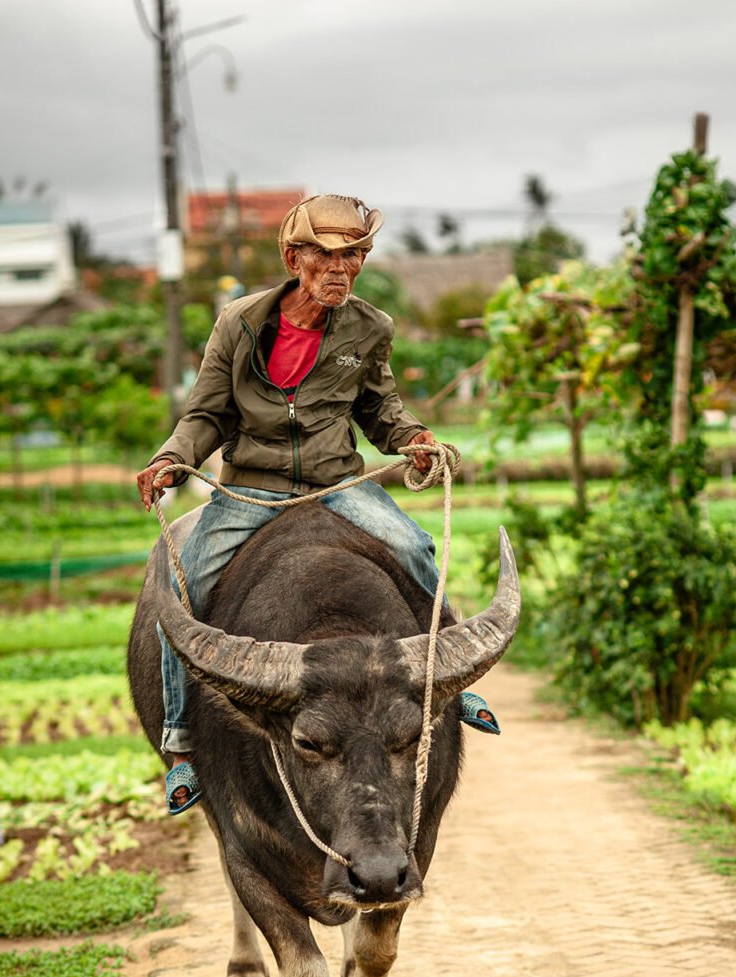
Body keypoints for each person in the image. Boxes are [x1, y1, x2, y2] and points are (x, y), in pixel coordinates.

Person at [136, 193, 499, 814]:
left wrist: (413, 440)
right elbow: (207, 414)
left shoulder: (370, 327)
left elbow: (379, 409)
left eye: (354, 255)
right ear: (292, 256)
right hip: (251, 486)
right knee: (182, 582)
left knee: (416, 547)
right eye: (326, 256)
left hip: (338, 483)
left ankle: (449, 683)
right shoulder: (240, 323)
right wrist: (173, 457)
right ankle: (181, 743)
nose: (341, 269)